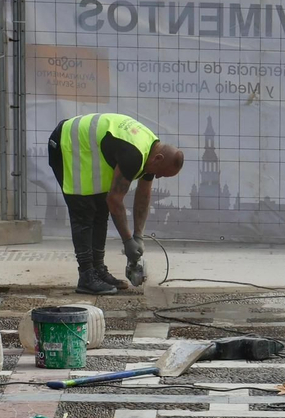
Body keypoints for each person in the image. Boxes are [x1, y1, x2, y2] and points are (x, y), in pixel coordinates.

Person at [46, 113, 184, 296]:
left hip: (85, 151)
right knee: (84, 213)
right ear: (158, 159)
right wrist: (128, 241)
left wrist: (138, 236)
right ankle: (87, 276)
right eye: (161, 174)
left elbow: (143, 196)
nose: (157, 177)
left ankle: (98, 271)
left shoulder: (151, 151)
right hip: (67, 145)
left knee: (101, 211)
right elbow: (115, 200)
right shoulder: (134, 154)